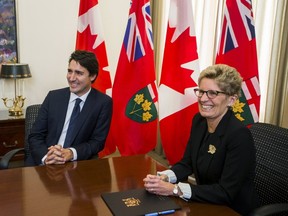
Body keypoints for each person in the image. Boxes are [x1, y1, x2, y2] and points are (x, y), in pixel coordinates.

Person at [143, 64, 259, 215]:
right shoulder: (199, 121)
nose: (203, 99)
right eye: (201, 91)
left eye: (212, 93)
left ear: (231, 100)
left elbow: (226, 192)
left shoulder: (239, 136)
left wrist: (176, 189)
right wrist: (164, 178)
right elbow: (187, 164)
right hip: (205, 203)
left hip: (231, 210)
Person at [27, 50, 112, 166]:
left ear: (92, 76)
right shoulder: (53, 97)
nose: (71, 78)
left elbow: (97, 142)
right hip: (45, 162)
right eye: (69, 71)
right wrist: (47, 157)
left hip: (77, 165)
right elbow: (35, 136)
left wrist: (71, 153)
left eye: (79, 73)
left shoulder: (103, 103)